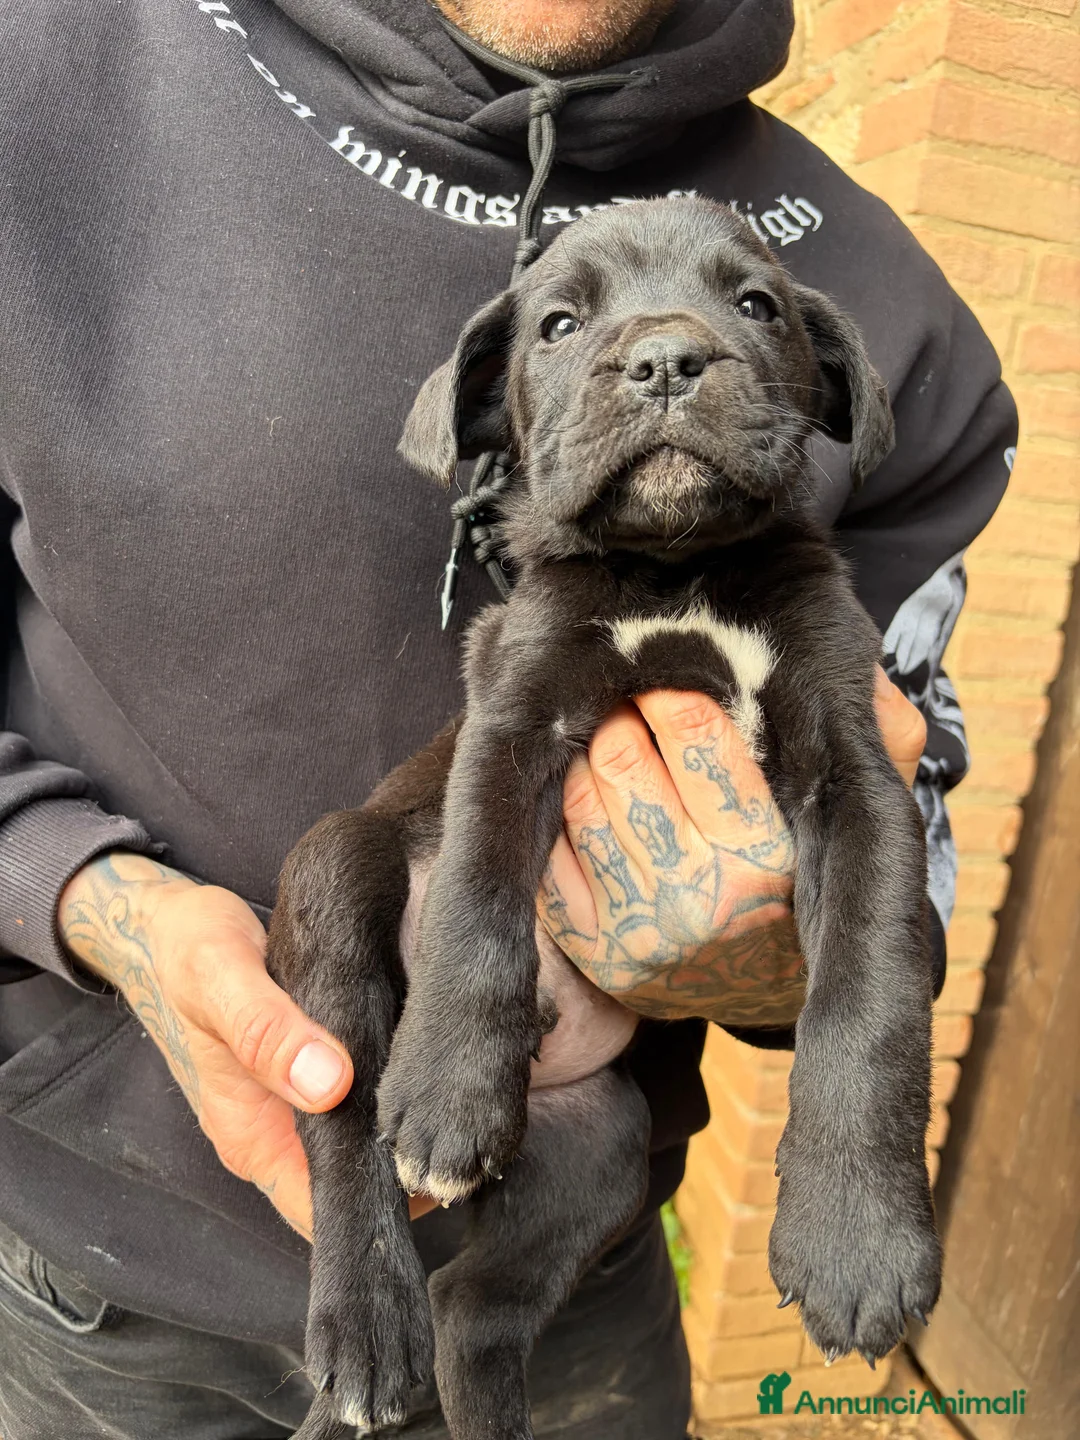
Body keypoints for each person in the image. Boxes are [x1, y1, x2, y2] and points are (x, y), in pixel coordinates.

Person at [0, 1, 1016, 1436]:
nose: (665, 352)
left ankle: (486, 1330)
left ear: (830, 381)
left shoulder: (883, 375)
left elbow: (898, 831)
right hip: (107, 1268)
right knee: (348, 866)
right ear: (496, 406)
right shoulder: (39, 82)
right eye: (570, 322)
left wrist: (802, 1010)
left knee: (594, 1155)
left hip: (587, 1239)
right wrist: (79, 891)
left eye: (750, 308)